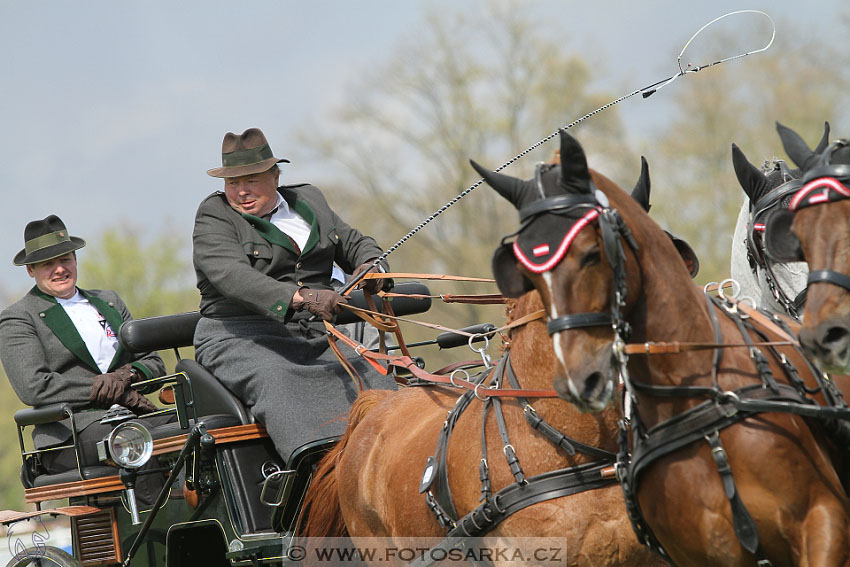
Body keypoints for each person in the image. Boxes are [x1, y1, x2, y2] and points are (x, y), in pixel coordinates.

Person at [192, 127, 395, 462]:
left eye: (252, 180)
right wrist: (302, 297)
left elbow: (354, 242)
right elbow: (233, 276)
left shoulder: (308, 200)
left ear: (275, 175)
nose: (241, 191)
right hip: (242, 337)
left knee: (372, 373)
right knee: (281, 382)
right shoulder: (215, 215)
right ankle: (311, 474)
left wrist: (372, 266)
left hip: (314, 335)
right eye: (233, 183)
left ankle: (390, 458)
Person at [0, 215, 170, 477]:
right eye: (48, 264)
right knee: (134, 440)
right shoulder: (20, 317)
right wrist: (109, 391)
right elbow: (34, 387)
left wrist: (127, 376)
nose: (59, 269)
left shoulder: (109, 301)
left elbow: (153, 362)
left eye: (65, 259)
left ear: (75, 260)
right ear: (30, 270)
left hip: (130, 416)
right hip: (71, 431)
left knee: (194, 427)